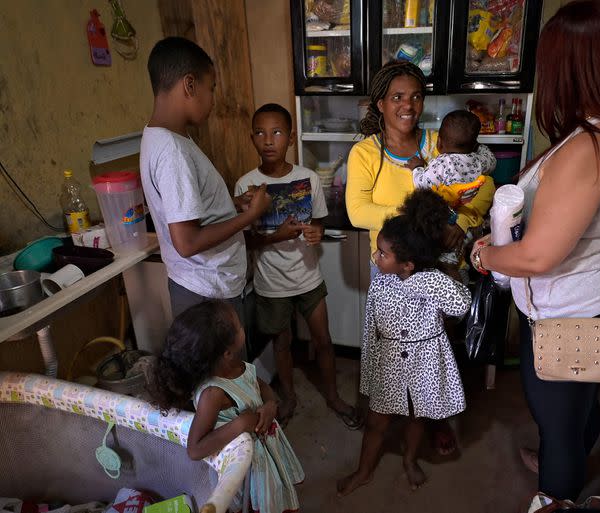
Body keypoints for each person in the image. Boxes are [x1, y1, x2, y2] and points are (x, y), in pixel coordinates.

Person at [469, 0, 600, 501]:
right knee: (577, 409)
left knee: (562, 426)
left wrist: (483, 257)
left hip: (574, 321)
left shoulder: (587, 150)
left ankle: (559, 478)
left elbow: (535, 258)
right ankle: (562, 446)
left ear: (564, 68)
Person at [346, 60, 495, 455]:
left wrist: (461, 222)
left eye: (415, 96)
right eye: (397, 97)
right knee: (392, 344)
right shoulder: (365, 153)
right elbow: (357, 212)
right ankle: (386, 408)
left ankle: (434, 416)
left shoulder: (440, 142)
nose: (407, 105)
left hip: (439, 265)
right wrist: (418, 213)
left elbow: (486, 182)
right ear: (380, 103)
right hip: (391, 269)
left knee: (436, 344)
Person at [234, 103, 361, 430]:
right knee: (283, 343)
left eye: (277, 132)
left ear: (290, 138)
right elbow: (245, 241)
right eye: (260, 133)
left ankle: (332, 396)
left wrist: (317, 232)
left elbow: (317, 221)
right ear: (251, 138)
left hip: (308, 278)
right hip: (270, 283)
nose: (268, 140)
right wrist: (275, 237)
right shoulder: (245, 186)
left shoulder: (307, 179)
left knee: (323, 341)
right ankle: (288, 398)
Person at [337, 189, 471, 497]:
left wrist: (427, 280)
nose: (375, 257)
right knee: (376, 423)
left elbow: (461, 304)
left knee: (416, 417)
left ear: (408, 265)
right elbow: (373, 324)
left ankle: (410, 460)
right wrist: (370, 369)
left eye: (382, 254)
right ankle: (364, 471)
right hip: (389, 364)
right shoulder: (382, 278)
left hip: (422, 363)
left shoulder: (428, 279)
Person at [140, 37, 271, 322]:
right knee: (223, 368)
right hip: (207, 293)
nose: (213, 100)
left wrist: (230, 204)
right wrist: (251, 216)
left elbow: (187, 207)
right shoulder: (172, 151)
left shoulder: (164, 137)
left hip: (206, 287)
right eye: (210, 88)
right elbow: (187, 241)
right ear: (189, 85)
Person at [150, 300, 304, 513]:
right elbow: (195, 449)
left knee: (275, 497)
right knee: (256, 504)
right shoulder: (213, 394)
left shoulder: (238, 366)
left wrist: (270, 404)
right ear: (227, 352)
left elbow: (260, 385)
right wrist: (240, 424)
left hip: (263, 452)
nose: (242, 326)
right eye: (239, 325)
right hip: (246, 468)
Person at [406, 109, 496, 266]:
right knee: (459, 258)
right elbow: (492, 160)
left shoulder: (441, 163)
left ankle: (448, 267)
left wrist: (417, 168)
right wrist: (477, 146)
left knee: (443, 260)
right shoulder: (478, 161)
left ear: (439, 142)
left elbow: (422, 185)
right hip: (472, 226)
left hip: (446, 223)